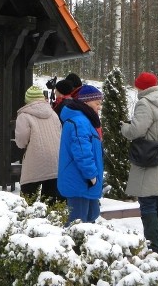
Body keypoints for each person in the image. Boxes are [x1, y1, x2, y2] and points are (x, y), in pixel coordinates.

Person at [120, 72, 158, 258]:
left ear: (141, 87)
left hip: (149, 161)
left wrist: (123, 127)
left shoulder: (145, 103)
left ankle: (154, 249)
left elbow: (136, 131)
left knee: (148, 205)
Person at [57, 84, 104, 224]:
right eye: (97, 103)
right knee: (78, 223)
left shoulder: (85, 121)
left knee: (90, 217)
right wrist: (91, 175)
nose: (99, 107)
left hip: (86, 182)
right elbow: (82, 152)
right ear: (87, 102)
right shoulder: (80, 122)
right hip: (81, 181)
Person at [14, 85, 63, 204]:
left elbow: (21, 141)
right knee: (49, 202)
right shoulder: (53, 114)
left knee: (27, 200)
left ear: (27, 101)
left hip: (34, 161)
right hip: (54, 161)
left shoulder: (24, 116)